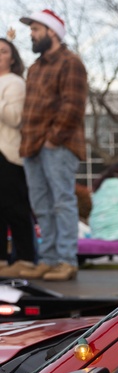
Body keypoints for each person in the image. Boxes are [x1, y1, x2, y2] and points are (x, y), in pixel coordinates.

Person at [18, 9, 87, 282]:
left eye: (35, 29)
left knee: (62, 202)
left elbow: (73, 105)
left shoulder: (71, 63)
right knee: (42, 206)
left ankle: (66, 261)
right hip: (32, 147)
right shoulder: (34, 68)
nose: (31, 35)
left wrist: (52, 139)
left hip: (57, 145)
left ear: (52, 32)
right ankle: (47, 260)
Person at [0, 30, 37, 277]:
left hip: (7, 153)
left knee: (15, 208)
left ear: (12, 58)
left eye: (3, 51)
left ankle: (25, 257)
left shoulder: (15, 82)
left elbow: (15, 118)